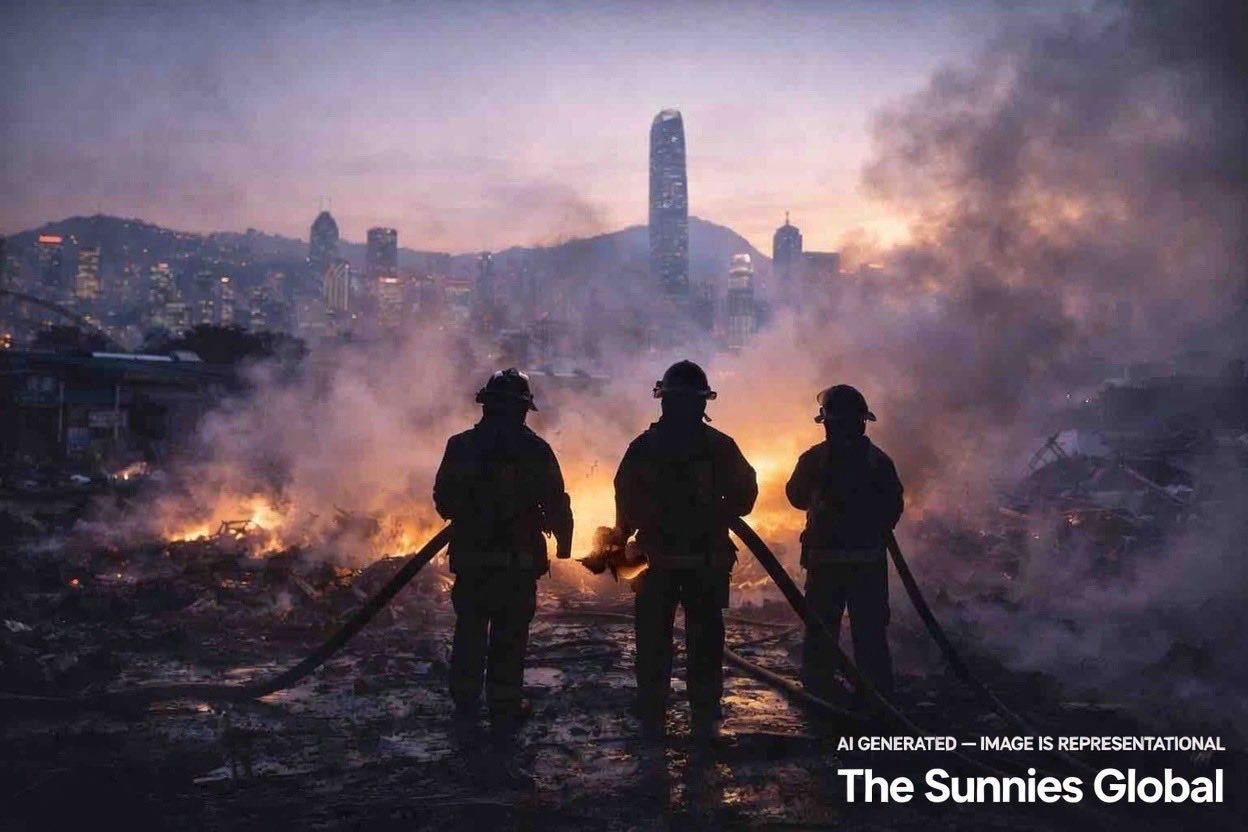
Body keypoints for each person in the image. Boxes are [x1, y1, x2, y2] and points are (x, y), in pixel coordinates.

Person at [611, 360, 758, 738]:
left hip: (655, 564)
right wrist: (718, 509)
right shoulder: (720, 446)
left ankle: (652, 704)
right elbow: (745, 496)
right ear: (702, 403)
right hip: (705, 563)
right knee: (705, 636)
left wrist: (622, 535)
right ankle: (705, 708)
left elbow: (624, 499)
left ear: (664, 400)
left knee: (653, 635)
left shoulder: (643, 447)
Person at [433, 368, 573, 729]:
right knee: (509, 637)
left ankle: (464, 703)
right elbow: (557, 504)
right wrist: (563, 548)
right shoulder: (536, 450)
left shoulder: (460, 446)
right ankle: (503, 705)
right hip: (517, 566)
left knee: (470, 631)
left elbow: (443, 501)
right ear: (525, 409)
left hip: (473, 563)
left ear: (485, 406)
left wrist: (471, 510)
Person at [785, 384, 904, 703]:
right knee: (870, 635)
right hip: (867, 565)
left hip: (825, 565)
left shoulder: (814, 459)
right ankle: (877, 700)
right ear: (863, 422)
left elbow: (795, 497)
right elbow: (894, 507)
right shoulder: (879, 461)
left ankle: (818, 696)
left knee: (822, 634)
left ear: (827, 422)